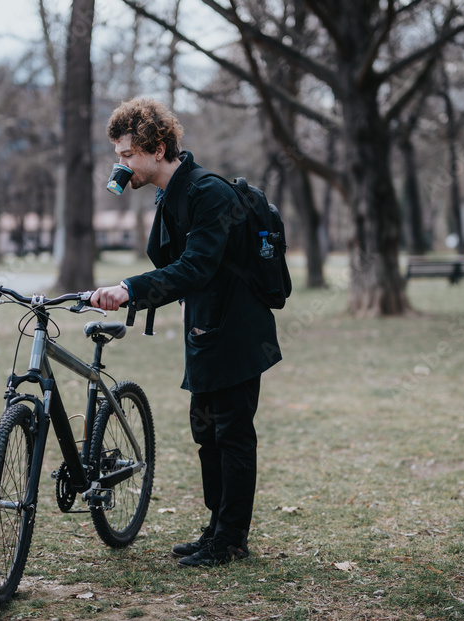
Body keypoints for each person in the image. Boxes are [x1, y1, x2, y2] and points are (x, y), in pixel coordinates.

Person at [90, 98, 282, 568]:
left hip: (237, 331)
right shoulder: (171, 194)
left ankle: (231, 539)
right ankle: (217, 528)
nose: (121, 164)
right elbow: (178, 264)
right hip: (205, 327)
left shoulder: (207, 192)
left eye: (126, 155)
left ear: (157, 149)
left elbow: (195, 266)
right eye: (118, 156)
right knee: (207, 434)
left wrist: (129, 290)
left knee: (232, 435)